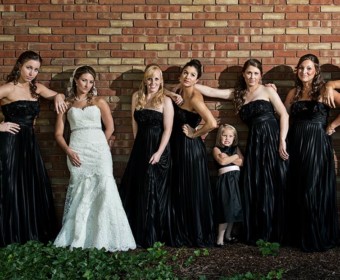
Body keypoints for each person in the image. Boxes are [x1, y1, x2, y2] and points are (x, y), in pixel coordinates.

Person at [191, 59, 289, 245]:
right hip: (255, 142)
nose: (252, 76)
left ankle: (276, 231)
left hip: (272, 137)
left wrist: (282, 140)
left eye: (256, 73)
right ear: (243, 75)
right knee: (257, 182)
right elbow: (212, 92)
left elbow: (284, 114)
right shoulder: (238, 94)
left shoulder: (268, 90)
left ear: (260, 75)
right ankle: (260, 230)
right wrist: (189, 83)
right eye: (249, 73)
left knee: (273, 181)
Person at [53, 66, 136, 252]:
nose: (87, 85)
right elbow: (58, 134)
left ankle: (106, 237)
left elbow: (110, 128)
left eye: (91, 82)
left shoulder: (99, 101)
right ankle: (80, 237)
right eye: (84, 80)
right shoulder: (66, 104)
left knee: (105, 189)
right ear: (76, 80)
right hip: (77, 151)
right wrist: (69, 151)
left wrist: (102, 145)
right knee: (81, 193)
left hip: (99, 152)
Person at [0, 50, 67, 247]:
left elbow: (58, 95)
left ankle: (29, 234)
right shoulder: (8, 89)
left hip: (29, 144)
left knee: (30, 184)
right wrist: (0, 125)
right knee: (11, 186)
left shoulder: (36, 88)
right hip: (10, 143)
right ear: (19, 65)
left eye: (36, 69)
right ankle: (10, 235)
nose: (31, 73)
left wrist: (57, 97)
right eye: (29, 67)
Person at [284, 54, 339, 252]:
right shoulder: (293, 93)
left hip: (317, 144)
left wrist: (332, 125)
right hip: (296, 144)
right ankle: (299, 236)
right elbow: (284, 118)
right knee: (298, 185)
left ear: (316, 71)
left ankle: (317, 234)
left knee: (313, 187)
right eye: (301, 68)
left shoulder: (324, 91)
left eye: (308, 68)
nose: (304, 72)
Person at [119, 64, 174, 248]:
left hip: (158, 150)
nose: (153, 82)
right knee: (137, 188)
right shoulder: (137, 97)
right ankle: (135, 233)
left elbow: (168, 130)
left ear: (161, 81)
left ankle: (152, 236)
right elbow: (134, 125)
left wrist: (158, 152)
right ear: (145, 80)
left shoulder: (165, 100)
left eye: (156, 79)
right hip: (140, 149)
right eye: (150, 78)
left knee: (152, 189)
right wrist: (138, 147)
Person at [165, 59, 217, 247]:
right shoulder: (178, 89)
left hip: (189, 148)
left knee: (191, 188)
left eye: (192, 75)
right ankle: (181, 230)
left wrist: (195, 133)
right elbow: (159, 88)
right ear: (181, 75)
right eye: (185, 73)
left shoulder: (195, 97)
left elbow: (212, 123)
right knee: (179, 186)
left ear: (197, 80)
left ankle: (193, 233)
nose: (188, 77)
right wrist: (171, 93)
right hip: (176, 147)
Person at [212, 124, 243, 247]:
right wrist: (235, 157)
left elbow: (242, 162)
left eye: (230, 136)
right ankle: (219, 239)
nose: (227, 138)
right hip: (225, 181)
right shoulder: (216, 149)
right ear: (220, 136)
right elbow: (222, 161)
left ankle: (228, 235)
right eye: (224, 135)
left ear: (234, 137)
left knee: (234, 209)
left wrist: (231, 157)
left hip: (235, 180)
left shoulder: (235, 148)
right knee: (226, 209)